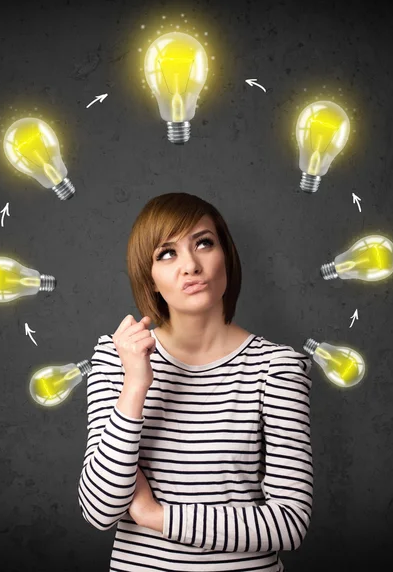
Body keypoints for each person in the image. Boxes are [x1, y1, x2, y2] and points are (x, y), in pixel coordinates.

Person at [78, 192, 313, 572]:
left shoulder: (277, 368)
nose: (190, 265)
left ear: (226, 257)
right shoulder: (116, 357)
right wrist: (135, 385)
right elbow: (100, 509)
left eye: (203, 243)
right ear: (149, 278)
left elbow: (289, 524)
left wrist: (155, 516)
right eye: (166, 253)